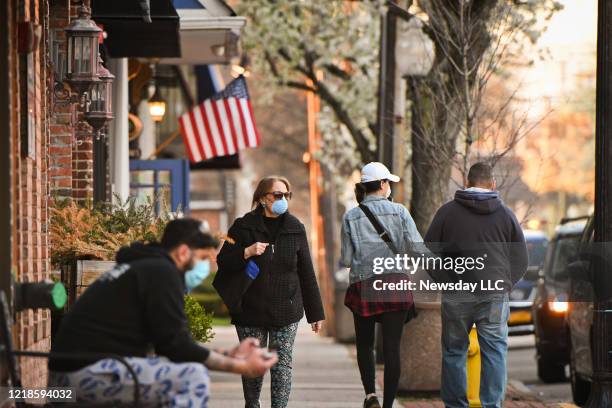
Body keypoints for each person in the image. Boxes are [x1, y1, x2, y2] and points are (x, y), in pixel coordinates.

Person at [48, 218, 278, 407]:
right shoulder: (161, 273)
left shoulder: (147, 268)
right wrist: (241, 367)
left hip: (77, 375)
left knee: (174, 373)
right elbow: (175, 347)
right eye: (201, 258)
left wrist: (228, 354)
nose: (204, 267)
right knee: (191, 377)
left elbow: (169, 343)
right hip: (81, 378)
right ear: (183, 252)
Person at [214, 175, 325, 408]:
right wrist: (247, 252)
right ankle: (252, 404)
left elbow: (306, 272)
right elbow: (223, 261)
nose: (283, 199)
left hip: (286, 309)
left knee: (282, 365)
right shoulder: (243, 226)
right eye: (277, 194)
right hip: (250, 309)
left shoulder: (295, 228)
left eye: (286, 195)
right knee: (253, 366)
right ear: (263, 198)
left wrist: (315, 313)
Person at [425, 162, 528, 408]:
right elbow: (521, 259)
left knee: (454, 351)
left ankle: (455, 405)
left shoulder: (447, 213)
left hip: (457, 295)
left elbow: (427, 253)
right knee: (494, 352)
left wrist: (446, 282)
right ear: (492, 184)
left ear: (467, 183)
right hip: (493, 295)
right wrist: (504, 285)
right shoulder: (505, 215)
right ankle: (492, 405)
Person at [340, 162, 422, 408]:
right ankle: (388, 405)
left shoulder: (351, 216)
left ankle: (370, 396)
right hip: (395, 284)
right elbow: (418, 248)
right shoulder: (400, 212)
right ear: (383, 184)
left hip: (364, 285)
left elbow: (345, 259)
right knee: (392, 348)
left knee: (365, 345)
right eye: (389, 183)